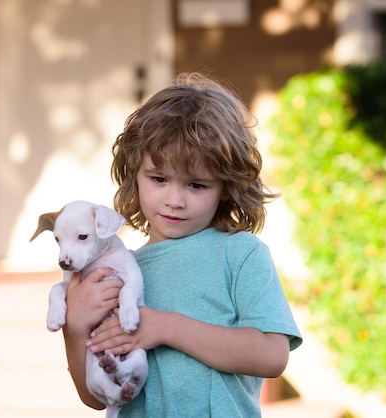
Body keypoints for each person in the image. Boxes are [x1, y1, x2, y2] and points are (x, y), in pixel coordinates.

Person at [62, 72, 302, 417]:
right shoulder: (114, 273)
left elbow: (272, 355)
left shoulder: (239, 254)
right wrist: (75, 328)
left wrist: (164, 327)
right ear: (134, 175)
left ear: (226, 188)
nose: (175, 200)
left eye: (197, 185)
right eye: (159, 179)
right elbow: (96, 398)